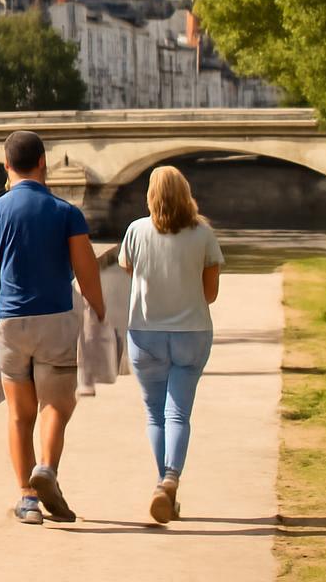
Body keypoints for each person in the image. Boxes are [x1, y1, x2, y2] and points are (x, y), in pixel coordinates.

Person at [0, 130, 107, 525]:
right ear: (43, 162)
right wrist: (99, 314)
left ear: (6, 165)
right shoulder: (66, 212)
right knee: (56, 405)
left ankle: (28, 500)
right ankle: (46, 468)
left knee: (19, 415)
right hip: (55, 320)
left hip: (10, 323)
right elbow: (86, 272)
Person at [117, 165, 224, 524]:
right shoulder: (203, 234)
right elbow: (210, 294)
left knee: (154, 414)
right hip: (192, 333)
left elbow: (131, 272)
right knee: (177, 412)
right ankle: (170, 481)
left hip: (144, 334)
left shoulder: (135, 231)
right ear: (186, 194)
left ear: (150, 196)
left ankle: (162, 483)